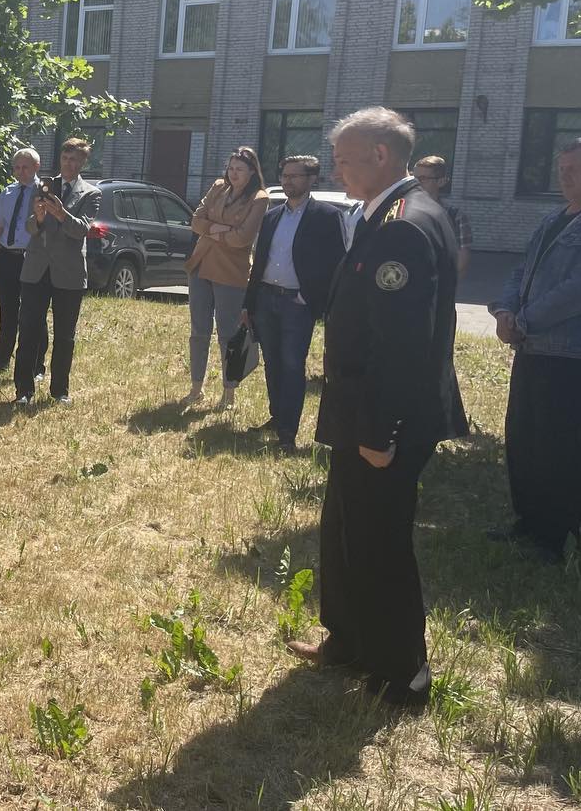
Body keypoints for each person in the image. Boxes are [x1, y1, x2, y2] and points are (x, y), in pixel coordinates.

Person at [288, 107, 468, 710]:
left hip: (383, 415)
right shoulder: (391, 212)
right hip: (359, 408)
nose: (336, 168)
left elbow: (401, 344)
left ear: (381, 156)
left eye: (344, 159)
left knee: (379, 540)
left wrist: (379, 429)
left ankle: (401, 671)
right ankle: (349, 640)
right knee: (345, 527)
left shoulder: (404, 225)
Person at [487, 138, 581, 564]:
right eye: (562, 169)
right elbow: (520, 270)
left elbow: (575, 291)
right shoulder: (553, 219)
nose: (566, 176)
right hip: (532, 349)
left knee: (558, 443)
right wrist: (504, 309)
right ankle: (528, 520)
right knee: (524, 436)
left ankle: (554, 536)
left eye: (575, 169)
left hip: (567, 354)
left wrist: (523, 322)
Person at [241, 155, 347, 450]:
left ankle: (288, 432)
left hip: (297, 304)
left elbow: (337, 264)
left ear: (312, 179)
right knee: (272, 363)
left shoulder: (326, 217)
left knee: (291, 365)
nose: (287, 181)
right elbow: (259, 262)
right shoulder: (272, 216)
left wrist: (312, 298)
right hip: (266, 299)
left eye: (294, 176)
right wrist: (248, 303)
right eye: (284, 175)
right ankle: (277, 417)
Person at [183, 147, 269, 408]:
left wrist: (211, 230)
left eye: (239, 169)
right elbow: (195, 221)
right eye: (231, 168)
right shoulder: (218, 187)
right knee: (199, 330)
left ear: (252, 172)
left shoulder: (259, 198)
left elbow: (243, 239)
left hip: (231, 271)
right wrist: (223, 229)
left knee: (228, 333)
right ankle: (196, 388)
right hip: (201, 264)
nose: (233, 174)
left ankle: (229, 393)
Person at [14, 139, 97, 404]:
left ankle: (60, 391)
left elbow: (81, 230)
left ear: (83, 162)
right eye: (65, 158)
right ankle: (23, 391)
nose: (68, 164)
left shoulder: (91, 193)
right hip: (36, 269)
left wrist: (61, 214)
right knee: (28, 331)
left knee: (64, 336)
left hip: (69, 274)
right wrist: (38, 218)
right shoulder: (43, 187)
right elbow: (29, 228)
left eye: (74, 160)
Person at [0, 148, 42, 374]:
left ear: (36, 167)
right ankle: (1, 361)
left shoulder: (43, 192)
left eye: (25, 167)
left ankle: (36, 365)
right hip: (7, 256)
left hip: (31, 258)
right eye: (17, 168)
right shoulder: (8, 192)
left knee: (33, 314)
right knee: (7, 312)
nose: (21, 172)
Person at [412, 155, 472, 278]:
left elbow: (461, 262)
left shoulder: (455, 217)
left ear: (441, 181)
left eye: (423, 179)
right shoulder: (401, 211)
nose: (416, 183)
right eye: (414, 178)